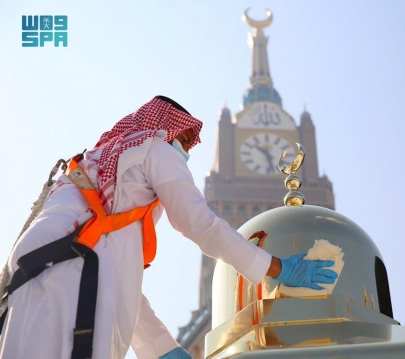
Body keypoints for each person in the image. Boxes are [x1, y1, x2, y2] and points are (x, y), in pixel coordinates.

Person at [0, 96, 337, 359]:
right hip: (72, 276)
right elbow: (200, 225)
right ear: (166, 128)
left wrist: (161, 347)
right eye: (186, 140)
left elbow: (118, 279)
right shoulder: (155, 148)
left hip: (33, 272)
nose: (186, 150)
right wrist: (276, 268)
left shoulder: (99, 172)